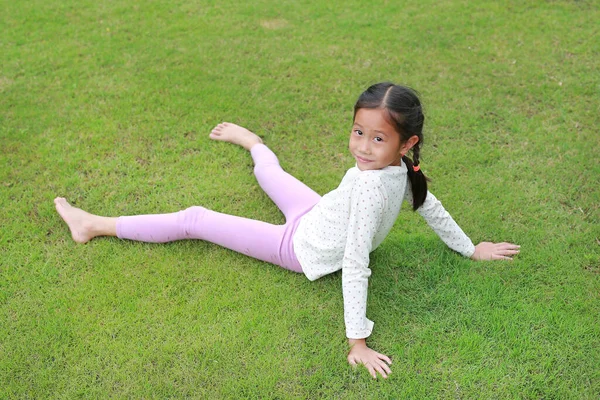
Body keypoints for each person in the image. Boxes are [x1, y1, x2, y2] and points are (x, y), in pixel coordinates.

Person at [54, 82, 520, 379]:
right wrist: (469, 248)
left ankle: (93, 225)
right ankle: (252, 142)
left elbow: (357, 263)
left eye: (378, 139)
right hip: (317, 213)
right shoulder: (392, 171)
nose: (362, 146)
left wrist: (356, 341)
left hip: (297, 246)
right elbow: (430, 205)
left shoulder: (374, 189)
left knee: (196, 218)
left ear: (407, 143)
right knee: (269, 175)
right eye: (359, 132)